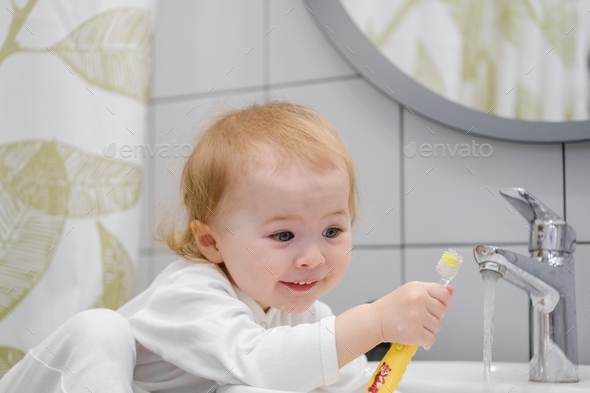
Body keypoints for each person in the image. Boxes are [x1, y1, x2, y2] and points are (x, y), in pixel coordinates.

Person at [0, 101, 453, 393]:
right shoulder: (192, 293)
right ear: (211, 242)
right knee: (100, 329)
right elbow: (260, 361)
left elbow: (334, 383)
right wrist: (373, 322)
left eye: (332, 231)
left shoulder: (303, 315)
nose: (312, 257)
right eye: (283, 235)